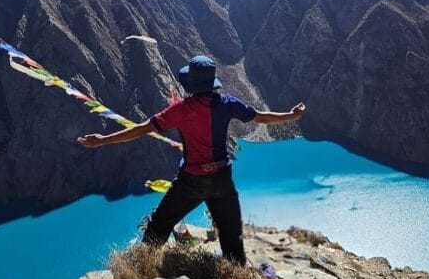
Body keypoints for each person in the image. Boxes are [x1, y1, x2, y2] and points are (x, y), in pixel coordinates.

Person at [77, 55, 306, 265]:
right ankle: (236, 276)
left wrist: (103, 140)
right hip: (222, 179)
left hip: (192, 181)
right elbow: (261, 117)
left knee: (160, 224)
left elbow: (141, 129)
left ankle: (141, 268)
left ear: (191, 84)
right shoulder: (227, 103)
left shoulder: (180, 110)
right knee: (230, 232)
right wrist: (291, 115)